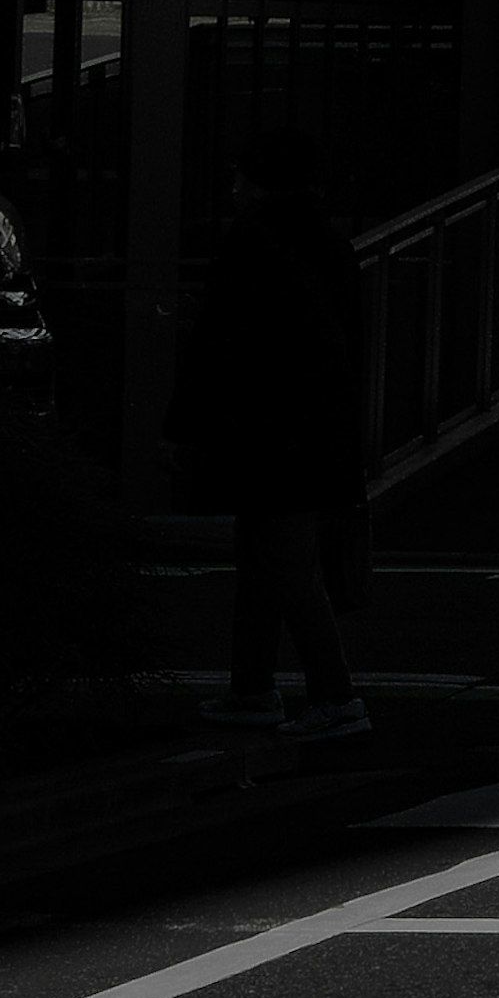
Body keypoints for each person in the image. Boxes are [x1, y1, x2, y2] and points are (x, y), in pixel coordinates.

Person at [170, 124, 372, 740]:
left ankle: (331, 695)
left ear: (259, 184)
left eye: (240, 177)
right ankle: (253, 687)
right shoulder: (330, 246)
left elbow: (217, 343)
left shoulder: (251, 243)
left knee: (280, 563)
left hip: (265, 430)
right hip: (317, 430)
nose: (233, 187)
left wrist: (182, 423)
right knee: (272, 560)